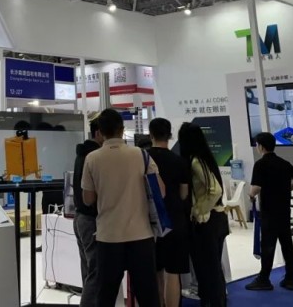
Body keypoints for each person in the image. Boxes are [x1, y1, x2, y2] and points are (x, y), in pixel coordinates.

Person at [81, 108, 162, 307]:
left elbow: (88, 199)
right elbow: (161, 190)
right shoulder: (141, 155)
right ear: (122, 129)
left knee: (106, 296)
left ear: (100, 132)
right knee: (148, 296)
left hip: (108, 236)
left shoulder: (92, 158)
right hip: (140, 235)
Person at [245, 132, 293, 292]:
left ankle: (264, 278)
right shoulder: (283, 163)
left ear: (261, 147)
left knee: (268, 245)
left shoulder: (260, 164)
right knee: (287, 244)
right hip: (284, 210)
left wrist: (251, 195)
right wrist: (288, 189)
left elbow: (255, 188)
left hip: (269, 211)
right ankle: (290, 278)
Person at [178, 122, 228, 307]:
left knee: (207, 270)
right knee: (212, 268)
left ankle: (213, 302)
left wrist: (199, 210)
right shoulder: (206, 159)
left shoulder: (196, 162)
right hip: (217, 219)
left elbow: (215, 190)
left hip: (208, 221)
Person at [147, 118, 190, 307]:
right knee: (173, 272)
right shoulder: (179, 161)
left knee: (155, 270)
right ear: (170, 135)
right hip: (175, 220)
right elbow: (184, 193)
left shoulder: (143, 158)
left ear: (151, 135)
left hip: (149, 222)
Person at [72, 115, 103, 306]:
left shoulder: (81, 154)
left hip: (80, 217)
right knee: (97, 271)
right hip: (91, 219)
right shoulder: (93, 157)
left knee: (89, 270)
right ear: (98, 133)